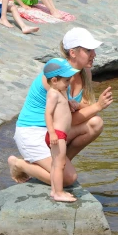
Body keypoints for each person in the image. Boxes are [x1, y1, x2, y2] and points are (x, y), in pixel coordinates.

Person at [7, 27, 114, 186]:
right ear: (73, 52)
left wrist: (84, 105)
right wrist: (97, 106)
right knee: (69, 179)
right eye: (88, 50)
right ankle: (20, 165)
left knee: (95, 123)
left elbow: (78, 112)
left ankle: (58, 166)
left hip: (54, 133)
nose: (94, 54)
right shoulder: (58, 77)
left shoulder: (85, 73)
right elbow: (69, 120)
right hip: (33, 131)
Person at [43, 58, 81, 203]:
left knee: (55, 163)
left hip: (60, 135)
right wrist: (52, 132)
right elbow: (48, 113)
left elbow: (62, 109)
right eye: (66, 80)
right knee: (60, 164)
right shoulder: (53, 93)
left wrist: (69, 103)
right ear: (54, 80)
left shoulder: (60, 92)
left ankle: (54, 190)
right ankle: (59, 192)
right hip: (57, 135)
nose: (69, 83)